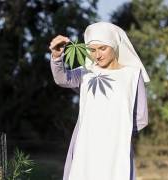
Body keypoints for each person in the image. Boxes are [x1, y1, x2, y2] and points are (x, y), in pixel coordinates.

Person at [49, 22, 150, 180]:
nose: (97, 55)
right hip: (85, 144)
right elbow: (62, 79)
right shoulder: (86, 73)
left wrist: (118, 133)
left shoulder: (132, 76)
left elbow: (141, 117)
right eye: (92, 50)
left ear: (114, 46)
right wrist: (56, 57)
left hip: (117, 147)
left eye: (103, 48)